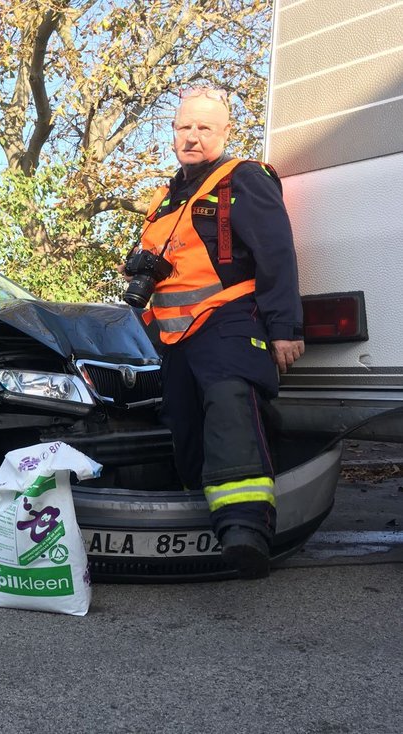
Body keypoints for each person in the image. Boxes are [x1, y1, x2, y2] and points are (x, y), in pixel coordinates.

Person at [120, 87, 304, 579]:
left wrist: (285, 329)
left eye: (205, 128)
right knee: (185, 428)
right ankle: (197, 523)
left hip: (229, 320)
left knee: (229, 410)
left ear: (225, 133)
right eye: (185, 127)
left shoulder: (242, 178)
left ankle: (246, 531)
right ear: (173, 133)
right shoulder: (164, 198)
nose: (193, 137)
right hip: (177, 340)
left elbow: (277, 253)